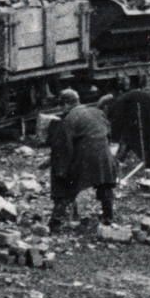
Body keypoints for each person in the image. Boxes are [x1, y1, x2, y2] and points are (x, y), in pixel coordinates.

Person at [49, 90, 117, 231]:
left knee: (67, 188)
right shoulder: (97, 112)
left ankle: (55, 222)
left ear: (66, 104)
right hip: (104, 156)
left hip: (84, 159)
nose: (62, 110)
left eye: (62, 106)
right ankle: (108, 217)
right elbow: (108, 134)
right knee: (104, 184)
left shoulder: (68, 119)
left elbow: (64, 148)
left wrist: (61, 171)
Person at [106, 88, 150, 170]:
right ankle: (121, 159)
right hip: (144, 108)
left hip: (142, 109)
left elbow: (117, 125)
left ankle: (149, 164)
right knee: (134, 138)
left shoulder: (117, 106)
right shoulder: (120, 101)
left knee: (139, 138)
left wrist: (114, 139)